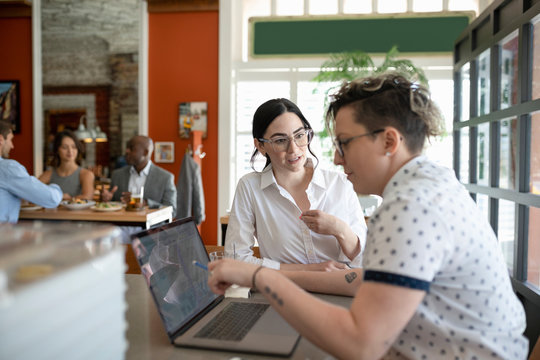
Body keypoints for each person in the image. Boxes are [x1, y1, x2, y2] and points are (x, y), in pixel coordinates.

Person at [208, 74, 528, 359]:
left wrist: (258, 275)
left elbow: (360, 344)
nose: (334, 156)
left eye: (344, 143)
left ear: (389, 141)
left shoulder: (410, 207)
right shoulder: (433, 183)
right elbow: (364, 284)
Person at [225, 98, 367, 271]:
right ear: (261, 146)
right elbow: (236, 259)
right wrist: (308, 271)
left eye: (299, 136)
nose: (294, 149)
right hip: (279, 292)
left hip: (339, 293)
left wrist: (339, 229)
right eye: (280, 141)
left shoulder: (340, 183)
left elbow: (365, 261)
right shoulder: (249, 187)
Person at [0, 121, 62, 223]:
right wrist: (56, 188)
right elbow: (51, 199)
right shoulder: (7, 168)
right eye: (11, 140)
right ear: (1, 139)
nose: (12, 146)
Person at [101, 135, 177, 217]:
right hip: (121, 225)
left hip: (150, 228)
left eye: (132, 148)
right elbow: (110, 204)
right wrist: (106, 200)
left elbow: (172, 211)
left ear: (146, 152)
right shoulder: (117, 175)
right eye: (127, 148)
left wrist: (145, 203)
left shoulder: (165, 178)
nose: (127, 151)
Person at [38, 130, 95, 200]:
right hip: (51, 211)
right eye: (65, 147)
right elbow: (33, 192)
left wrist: (63, 198)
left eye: (74, 147)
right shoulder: (49, 174)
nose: (70, 151)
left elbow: (87, 197)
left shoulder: (86, 174)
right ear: (57, 150)